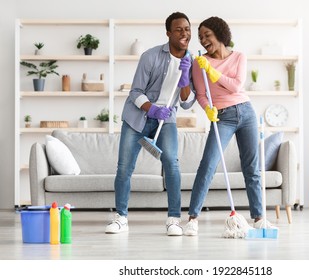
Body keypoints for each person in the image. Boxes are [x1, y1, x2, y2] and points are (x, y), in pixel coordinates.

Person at [106, 12, 196, 236]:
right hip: (138, 118)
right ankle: (121, 218)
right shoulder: (150, 56)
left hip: (167, 119)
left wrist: (186, 79)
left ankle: (174, 219)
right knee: (125, 167)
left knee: (172, 165)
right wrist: (153, 108)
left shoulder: (193, 62)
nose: (184, 33)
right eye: (178, 29)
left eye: (187, 29)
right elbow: (135, 92)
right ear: (168, 33)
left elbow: (186, 102)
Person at [183, 16, 274, 236]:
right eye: (200, 37)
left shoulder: (239, 57)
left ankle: (259, 218)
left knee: (251, 168)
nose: (203, 40)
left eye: (208, 35)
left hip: (246, 113)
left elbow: (236, 86)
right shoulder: (199, 62)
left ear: (220, 34)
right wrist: (207, 109)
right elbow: (201, 94)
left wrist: (213, 71)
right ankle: (192, 219)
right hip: (221, 117)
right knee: (208, 165)